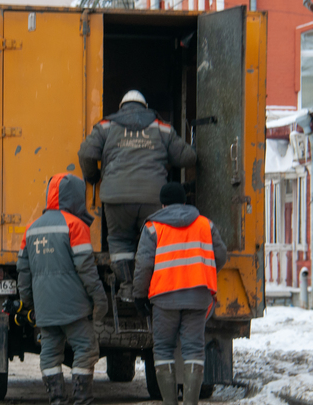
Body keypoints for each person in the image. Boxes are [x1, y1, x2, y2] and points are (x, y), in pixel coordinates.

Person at [78, 90, 197, 302]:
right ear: (146, 106)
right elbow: (187, 157)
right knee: (151, 242)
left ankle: (126, 288)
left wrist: (93, 177)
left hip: (116, 198)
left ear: (121, 106)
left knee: (119, 240)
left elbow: (86, 153)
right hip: (153, 198)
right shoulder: (162, 127)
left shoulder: (106, 126)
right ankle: (154, 287)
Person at [17, 173, 108, 405]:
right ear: (76, 196)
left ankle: (57, 400)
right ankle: (81, 399)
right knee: (86, 348)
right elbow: (86, 269)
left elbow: (23, 272)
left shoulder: (31, 229)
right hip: (74, 307)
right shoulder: (75, 226)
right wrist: (99, 297)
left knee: (49, 352)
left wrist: (28, 302)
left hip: (45, 307)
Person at [133, 182, 227, 405]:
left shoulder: (153, 227)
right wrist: (204, 272)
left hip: (165, 298)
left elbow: (144, 264)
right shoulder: (206, 224)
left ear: (163, 204)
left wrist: (139, 295)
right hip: (198, 297)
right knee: (194, 348)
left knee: (163, 348)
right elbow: (221, 254)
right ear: (185, 202)